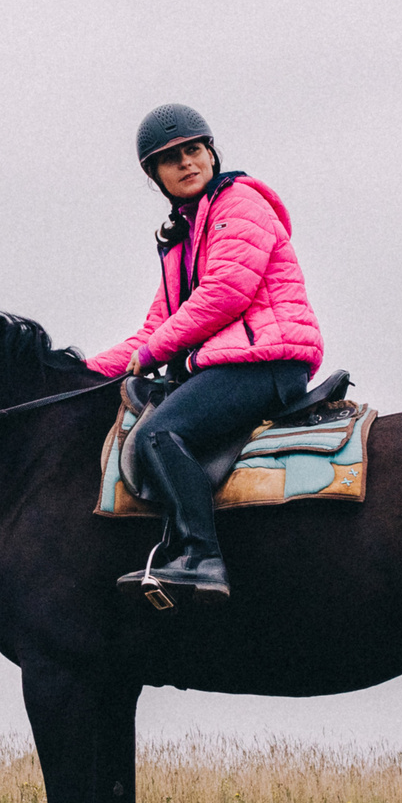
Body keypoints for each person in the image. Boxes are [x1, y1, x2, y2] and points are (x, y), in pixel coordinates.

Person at [86, 104, 324, 602]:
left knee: (158, 434)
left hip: (268, 362)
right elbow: (155, 330)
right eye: (170, 159)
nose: (187, 163)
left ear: (211, 152)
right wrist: (80, 373)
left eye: (193, 150)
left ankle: (201, 556)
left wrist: (154, 350)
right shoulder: (181, 239)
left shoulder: (239, 203)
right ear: (156, 177)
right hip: (226, 365)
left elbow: (225, 293)